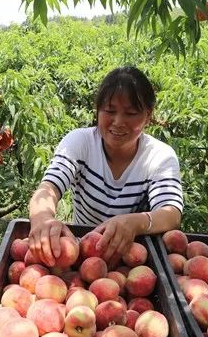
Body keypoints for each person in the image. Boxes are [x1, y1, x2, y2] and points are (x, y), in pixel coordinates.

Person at [28, 66, 183, 266]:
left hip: (132, 260)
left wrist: (136, 222)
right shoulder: (80, 142)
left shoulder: (159, 156)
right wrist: (42, 219)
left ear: (148, 115)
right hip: (82, 255)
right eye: (110, 111)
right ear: (98, 110)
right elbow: (49, 188)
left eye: (131, 113)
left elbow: (171, 213)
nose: (118, 122)